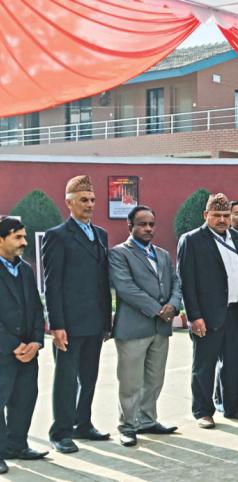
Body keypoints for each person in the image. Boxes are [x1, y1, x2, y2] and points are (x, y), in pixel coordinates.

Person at [44, 175, 112, 453]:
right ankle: (60, 432)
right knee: (66, 380)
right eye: (84, 200)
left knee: (89, 377)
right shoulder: (57, 236)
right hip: (70, 324)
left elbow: (103, 281)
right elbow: (52, 284)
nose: (90, 204)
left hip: (95, 321)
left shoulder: (101, 235)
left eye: (92, 199)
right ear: (69, 203)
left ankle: (83, 424)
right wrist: (57, 324)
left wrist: (107, 320)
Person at [178, 193, 238, 429]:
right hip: (207, 314)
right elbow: (187, 282)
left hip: (236, 312)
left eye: (225, 215)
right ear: (206, 215)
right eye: (217, 215)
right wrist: (194, 316)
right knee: (204, 365)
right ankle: (202, 411)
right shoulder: (192, 240)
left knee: (233, 363)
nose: (222, 220)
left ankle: (233, 406)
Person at [109, 206, 181, 447]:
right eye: (142, 224)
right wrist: (158, 309)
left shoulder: (162, 254)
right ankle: (128, 426)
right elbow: (125, 287)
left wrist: (173, 304)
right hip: (133, 328)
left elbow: (176, 282)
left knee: (154, 379)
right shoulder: (119, 253)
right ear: (130, 226)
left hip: (160, 328)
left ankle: (147, 420)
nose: (148, 228)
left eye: (151, 224)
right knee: (130, 382)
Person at [0, 218, 47, 474]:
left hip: (28, 352)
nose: (24, 242)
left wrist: (37, 341)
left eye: (24, 236)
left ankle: (17, 446)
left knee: (24, 400)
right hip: (3, 351)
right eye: (17, 237)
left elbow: (37, 309)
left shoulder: (26, 270)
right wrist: (12, 345)